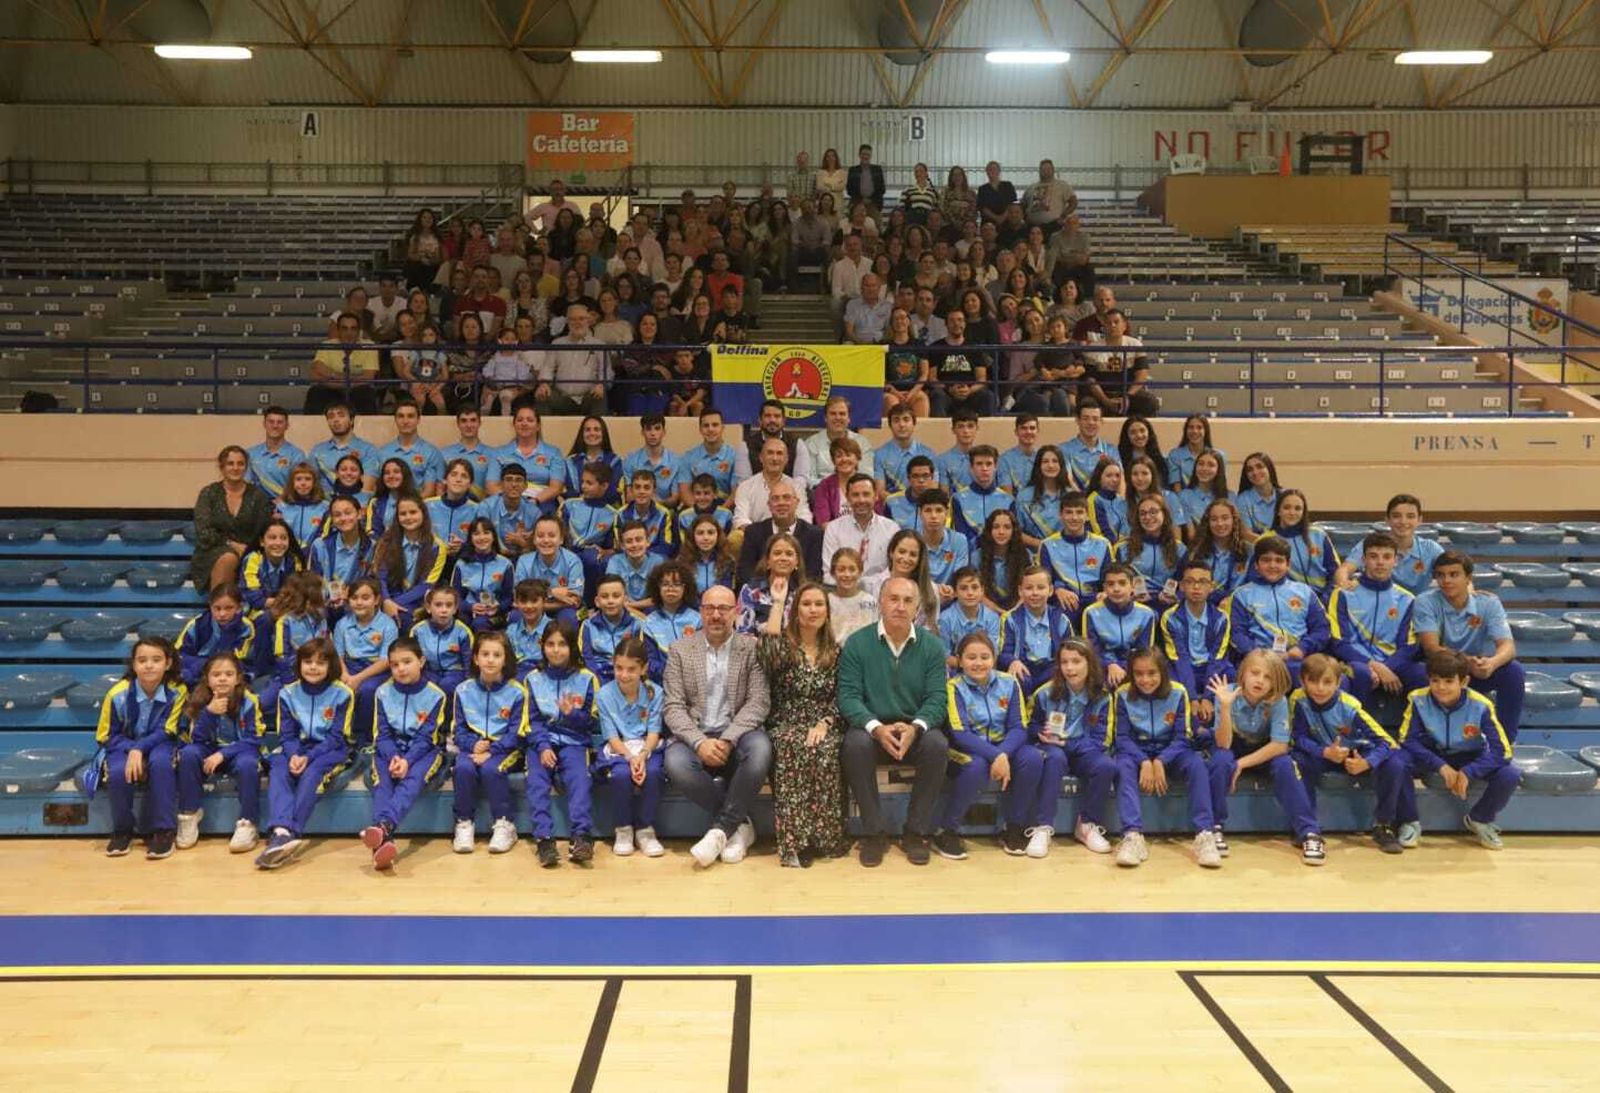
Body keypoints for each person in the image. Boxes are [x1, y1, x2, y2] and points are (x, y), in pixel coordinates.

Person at [837, 577, 952, 867]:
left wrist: (916, 727)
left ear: (917, 608)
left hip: (914, 730)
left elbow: (938, 698)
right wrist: (876, 727)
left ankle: (915, 832)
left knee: (937, 744)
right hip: (874, 730)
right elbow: (848, 697)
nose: (900, 606)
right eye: (893, 599)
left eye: (907, 601)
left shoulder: (933, 647)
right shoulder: (857, 643)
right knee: (854, 743)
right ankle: (873, 833)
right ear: (881, 602)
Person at [662, 585, 773, 869]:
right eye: (709, 608)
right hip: (696, 738)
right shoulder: (680, 650)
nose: (716, 615)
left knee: (761, 749)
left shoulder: (751, 648)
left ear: (735, 612)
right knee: (674, 762)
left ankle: (721, 829)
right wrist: (699, 742)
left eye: (723, 609)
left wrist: (727, 739)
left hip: (738, 735)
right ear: (700, 612)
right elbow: (672, 707)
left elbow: (759, 702)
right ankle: (739, 826)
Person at [757, 578, 849, 867]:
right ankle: (796, 843)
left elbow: (842, 696)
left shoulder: (835, 652)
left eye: (819, 604)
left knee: (824, 749)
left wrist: (824, 723)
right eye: (806, 604)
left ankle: (825, 838)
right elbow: (766, 652)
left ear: (827, 612)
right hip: (785, 721)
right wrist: (778, 601)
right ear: (796, 611)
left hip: (823, 723)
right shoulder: (784, 645)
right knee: (794, 747)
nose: (813, 609)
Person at [1207, 650, 1325, 865]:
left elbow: (1279, 745)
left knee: (1286, 764)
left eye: (1268, 676)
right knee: (1221, 759)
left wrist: (1241, 764)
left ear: (1276, 682)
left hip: (1264, 752)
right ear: (1243, 673)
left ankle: (1309, 833)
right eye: (1255, 673)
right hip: (1233, 746)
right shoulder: (1227, 694)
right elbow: (1223, 744)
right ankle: (1214, 828)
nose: (1260, 680)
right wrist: (1224, 707)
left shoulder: (1278, 702)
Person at [1397, 648, 1521, 850]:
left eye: (1448, 681)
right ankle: (1409, 821)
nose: (1440, 687)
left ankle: (1480, 819)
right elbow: (1407, 740)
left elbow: (1503, 751)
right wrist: (1441, 766)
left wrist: (1469, 771)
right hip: (1433, 753)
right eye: (1435, 680)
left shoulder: (1481, 705)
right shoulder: (1417, 699)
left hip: (1469, 755)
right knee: (1396, 762)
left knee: (1510, 774)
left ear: (1463, 682)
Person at [1108, 648, 1222, 869]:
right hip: (1136, 752)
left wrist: (1160, 760)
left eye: (1152, 673)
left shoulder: (1178, 692)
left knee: (1197, 764)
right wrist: (1144, 760)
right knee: (1122, 766)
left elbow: (1183, 737)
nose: (1145, 680)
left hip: (1172, 751)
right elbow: (1121, 738)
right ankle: (1132, 835)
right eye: (1138, 674)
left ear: (1163, 672)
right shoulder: (1122, 694)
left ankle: (1204, 835)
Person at [1290, 653, 1408, 855]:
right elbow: (1297, 737)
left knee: (1395, 764)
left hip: (1357, 757)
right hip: (1325, 755)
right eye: (1313, 681)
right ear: (1302, 681)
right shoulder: (1298, 699)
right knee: (1297, 759)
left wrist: (1368, 762)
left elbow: (1387, 742)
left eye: (1327, 682)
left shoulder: (1350, 706)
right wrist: (1324, 752)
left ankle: (1383, 825)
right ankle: (1308, 829)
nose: (1320, 688)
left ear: (1338, 683)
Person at [255, 637, 356, 869]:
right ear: (298, 664)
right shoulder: (287, 693)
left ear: (332, 666)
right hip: (296, 748)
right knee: (279, 770)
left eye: (321, 663)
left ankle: (289, 833)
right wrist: (293, 755)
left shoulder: (343, 694)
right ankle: (280, 830)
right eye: (308, 661)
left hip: (331, 750)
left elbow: (336, 737)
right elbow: (287, 735)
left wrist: (308, 758)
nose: (313, 667)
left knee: (311, 775)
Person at [1412, 550, 1525, 742]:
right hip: (1440, 671)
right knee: (1415, 673)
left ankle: (1504, 741)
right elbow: (1431, 648)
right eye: (1441, 575)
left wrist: (1492, 663)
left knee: (1513, 671)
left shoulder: (1488, 603)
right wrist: (1466, 661)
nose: (1446, 580)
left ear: (1468, 578)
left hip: (1473, 671)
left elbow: (1508, 646)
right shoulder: (1425, 601)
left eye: (1454, 574)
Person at [937, 632, 1029, 859]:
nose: (978, 663)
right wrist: (995, 756)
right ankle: (947, 830)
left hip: (1001, 746)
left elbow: (1019, 727)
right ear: (959, 660)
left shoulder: (1009, 682)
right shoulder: (953, 687)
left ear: (994, 658)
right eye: (971, 657)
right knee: (976, 765)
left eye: (984, 657)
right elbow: (960, 733)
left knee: (1032, 758)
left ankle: (1014, 828)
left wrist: (1002, 754)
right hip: (965, 749)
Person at [360, 638, 450, 871]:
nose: (401, 668)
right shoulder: (382, 692)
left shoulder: (436, 695)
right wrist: (393, 758)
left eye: (407, 662)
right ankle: (384, 843)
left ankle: (384, 826)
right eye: (394, 664)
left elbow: (427, 737)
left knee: (411, 781)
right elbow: (382, 734)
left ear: (421, 661)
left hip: (424, 752)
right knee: (383, 785)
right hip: (388, 751)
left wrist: (407, 761)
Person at [94, 636, 185, 859]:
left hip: (160, 743)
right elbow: (106, 735)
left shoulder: (177, 691)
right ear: (134, 665)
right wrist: (132, 748)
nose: (149, 665)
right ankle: (122, 831)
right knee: (117, 772)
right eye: (142, 660)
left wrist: (140, 749)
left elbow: (169, 730)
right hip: (122, 746)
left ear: (168, 663)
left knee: (162, 764)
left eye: (156, 659)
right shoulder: (117, 694)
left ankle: (163, 831)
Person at [1025, 639, 1118, 857]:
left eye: (1076, 661)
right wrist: (1039, 733)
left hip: (1084, 751)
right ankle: (1043, 827)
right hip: (1053, 749)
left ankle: (1086, 825)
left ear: (1090, 663)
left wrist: (1068, 743)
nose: (1070, 668)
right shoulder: (1044, 693)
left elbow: (1102, 740)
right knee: (1054, 758)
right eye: (1064, 662)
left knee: (1105, 766)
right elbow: (1029, 725)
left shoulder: (1103, 695)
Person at [524, 621, 603, 866]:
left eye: (562, 644)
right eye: (550, 644)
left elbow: (593, 722)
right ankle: (544, 840)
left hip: (575, 742)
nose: (556, 650)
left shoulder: (587, 678)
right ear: (542, 646)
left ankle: (581, 837)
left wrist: (571, 714)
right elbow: (531, 721)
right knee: (537, 782)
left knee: (579, 779)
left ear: (572, 647)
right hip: (542, 743)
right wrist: (543, 746)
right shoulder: (532, 678)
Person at [450, 630, 529, 856]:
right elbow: (458, 729)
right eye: (485, 654)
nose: (490, 659)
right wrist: (473, 745)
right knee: (463, 768)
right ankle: (464, 823)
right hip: (472, 748)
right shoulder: (463, 690)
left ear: (506, 659)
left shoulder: (517, 692)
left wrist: (492, 750)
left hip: (506, 749)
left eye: (497, 655)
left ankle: (505, 824)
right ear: (476, 658)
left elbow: (517, 733)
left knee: (492, 769)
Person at [1327, 531, 1426, 705]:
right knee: (1362, 673)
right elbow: (1339, 643)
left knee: (1422, 674)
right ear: (1363, 560)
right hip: (1354, 662)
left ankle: (1416, 729)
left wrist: (1387, 667)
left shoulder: (1407, 599)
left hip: (1393, 661)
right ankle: (1356, 728)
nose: (1380, 562)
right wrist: (1375, 666)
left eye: (1387, 557)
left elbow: (1408, 646)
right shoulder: (1343, 595)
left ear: (1395, 561)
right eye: (1373, 556)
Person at [594, 636, 667, 859]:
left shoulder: (655, 692)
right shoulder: (605, 694)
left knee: (653, 773)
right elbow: (611, 735)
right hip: (620, 749)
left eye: (631, 669)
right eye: (619, 668)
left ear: (643, 668)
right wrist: (629, 757)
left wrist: (643, 755)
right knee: (620, 775)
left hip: (647, 746)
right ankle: (623, 828)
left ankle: (645, 830)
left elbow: (654, 731)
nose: (624, 675)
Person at [1225, 535, 1331, 684]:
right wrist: (1261, 654)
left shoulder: (1305, 592)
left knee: (1327, 676)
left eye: (1279, 560)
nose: (1273, 565)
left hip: (1299, 656)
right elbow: (1237, 634)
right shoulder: (1242, 595)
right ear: (1256, 564)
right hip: (1258, 658)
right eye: (1266, 560)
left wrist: (1302, 648)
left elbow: (1322, 629)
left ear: (1288, 564)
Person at [192, 445, 277, 594]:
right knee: (228, 558)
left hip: (248, 550)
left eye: (240, 464)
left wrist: (247, 549)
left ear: (246, 467)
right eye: (230, 463)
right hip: (212, 550)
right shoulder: (209, 493)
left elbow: (263, 531)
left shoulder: (258, 496)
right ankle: (219, 610)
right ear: (222, 467)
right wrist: (232, 545)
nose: (236, 468)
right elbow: (204, 532)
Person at [1159, 560, 1233, 715]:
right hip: (1183, 668)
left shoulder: (1221, 619)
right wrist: (1192, 698)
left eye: (1203, 582)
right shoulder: (1170, 617)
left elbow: (1217, 658)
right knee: (1168, 682)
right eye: (1190, 581)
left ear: (1211, 587)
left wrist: (1208, 696)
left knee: (1234, 677)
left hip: (1210, 667)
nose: (1196, 587)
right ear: (1182, 586)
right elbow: (1180, 658)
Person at [820, 473, 899, 580]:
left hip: (881, 591)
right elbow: (829, 573)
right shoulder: (834, 529)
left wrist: (868, 586)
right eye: (855, 495)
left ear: (875, 496)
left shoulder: (891, 529)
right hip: (844, 591)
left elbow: (894, 570)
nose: (861, 500)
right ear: (847, 498)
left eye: (866, 494)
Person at [176, 584, 256, 687]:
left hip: (228, 674)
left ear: (239, 608)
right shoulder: (197, 624)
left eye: (229, 608)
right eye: (217, 608)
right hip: (199, 671)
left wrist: (228, 631)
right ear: (210, 606)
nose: (222, 614)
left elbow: (242, 660)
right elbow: (180, 655)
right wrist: (202, 665)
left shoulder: (246, 627)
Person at [305, 312, 381, 415]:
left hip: (357, 390)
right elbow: (316, 373)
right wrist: (345, 380)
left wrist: (331, 375)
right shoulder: (326, 345)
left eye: (353, 328)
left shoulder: (369, 346)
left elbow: (368, 377)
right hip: (332, 389)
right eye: (344, 328)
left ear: (359, 331)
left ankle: (368, 430)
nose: (349, 333)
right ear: (338, 330)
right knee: (315, 392)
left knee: (366, 393)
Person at [733, 435, 812, 531]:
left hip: (789, 538)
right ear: (761, 458)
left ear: (786, 460)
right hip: (756, 538)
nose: (775, 458)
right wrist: (762, 534)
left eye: (779, 453)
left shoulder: (796, 487)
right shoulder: (745, 486)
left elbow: (805, 517)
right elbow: (740, 519)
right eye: (770, 453)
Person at [928, 310, 997, 417]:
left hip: (970, 393)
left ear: (964, 324)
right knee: (937, 395)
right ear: (946, 324)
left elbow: (982, 379)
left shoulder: (974, 347)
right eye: (952, 321)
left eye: (960, 320)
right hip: (946, 393)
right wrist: (949, 388)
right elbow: (932, 378)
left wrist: (969, 390)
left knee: (988, 396)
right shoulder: (936, 347)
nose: (956, 324)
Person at [246, 407, 307, 500]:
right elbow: (246, 485)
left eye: (280, 422)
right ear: (264, 424)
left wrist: (281, 502)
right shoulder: (251, 454)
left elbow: (300, 487)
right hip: (257, 506)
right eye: (271, 422)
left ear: (287, 425)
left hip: (288, 505)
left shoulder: (297, 455)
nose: (275, 426)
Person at [1023, 159, 1077, 233]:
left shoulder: (1062, 185)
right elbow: (1023, 205)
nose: (1046, 171)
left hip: (1054, 226)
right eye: (1043, 169)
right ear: (1039, 171)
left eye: (1048, 169)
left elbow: (1073, 202)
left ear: (1053, 170)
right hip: (1033, 227)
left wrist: (1063, 216)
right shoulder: (1031, 188)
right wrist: (1025, 218)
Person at [843, 273, 892, 343]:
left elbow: (889, 330)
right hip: (857, 343)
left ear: (879, 288)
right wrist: (861, 344)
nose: (870, 289)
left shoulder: (887, 306)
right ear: (861, 287)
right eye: (867, 285)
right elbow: (849, 331)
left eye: (873, 285)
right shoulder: (852, 304)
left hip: (880, 344)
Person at [976, 161, 1017, 226]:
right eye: (990, 169)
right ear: (987, 172)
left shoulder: (1008, 186)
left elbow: (1012, 203)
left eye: (994, 169)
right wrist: (996, 218)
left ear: (999, 171)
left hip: (1007, 222)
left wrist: (1003, 217)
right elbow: (982, 207)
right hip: (988, 223)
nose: (992, 171)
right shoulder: (982, 189)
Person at [846, 143, 884, 207]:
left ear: (871, 156)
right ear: (859, 155)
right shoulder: (853, 170)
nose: (865, 157)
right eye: (863, 154)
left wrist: (871, 200)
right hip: (857, 203)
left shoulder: (877, 169)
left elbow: (882, 189)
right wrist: (861, 199)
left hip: (874, 204)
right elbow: (849, 189)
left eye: (868, 154)